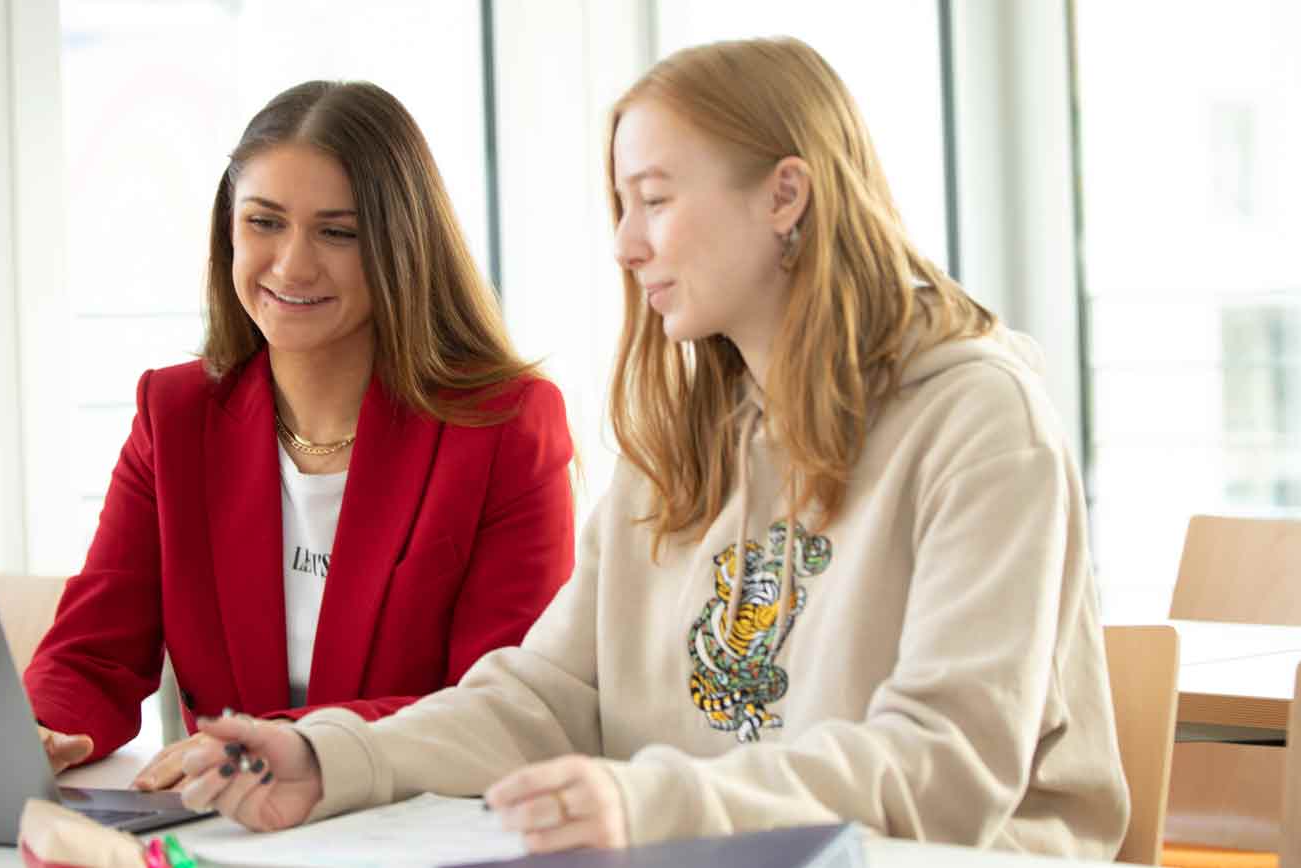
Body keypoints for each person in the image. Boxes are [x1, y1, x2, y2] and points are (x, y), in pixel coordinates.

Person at [177, 38, 1131, 860]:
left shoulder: (979, 420)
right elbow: (547, 699)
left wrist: (652, 805)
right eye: (622, 208)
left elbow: (945, 770)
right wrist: (334, 756)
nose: (627, 246)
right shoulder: (684, 432)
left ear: (783, 197)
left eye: (656, 201)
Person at [23, 80, 576, 789]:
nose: (291, 265)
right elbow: (90, 656)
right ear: (229, 227)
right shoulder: (175, 412)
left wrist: (286, 747)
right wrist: (38, 731)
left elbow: (495, 708)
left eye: (337, 232)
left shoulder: (503, 424)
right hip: (231, 832)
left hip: (408, 824)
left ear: (400, 245)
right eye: (264, 222)